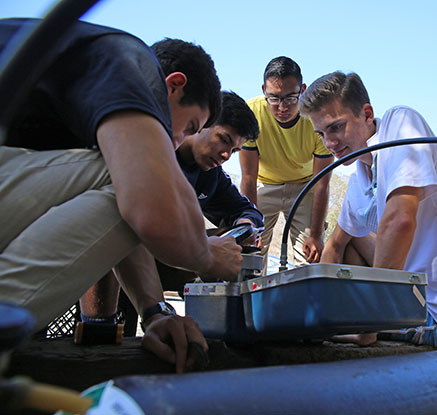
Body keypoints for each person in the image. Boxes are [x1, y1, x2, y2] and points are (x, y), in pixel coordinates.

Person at [0, 18, 242, 373]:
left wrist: (154, 311)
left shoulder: (85, 85)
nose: (178, 142)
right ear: (173, 86)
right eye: (189, 127)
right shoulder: (130, 62)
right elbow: (149, 206)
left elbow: (124, 213)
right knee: (143, 181)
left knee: (133, 179)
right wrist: (206, 255)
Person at [299, 71, 437, 348]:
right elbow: (334, 245)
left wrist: (369, 326)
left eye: (336, 127)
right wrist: (317, 313)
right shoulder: (359, 178)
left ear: (367, 114)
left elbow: (400, 220)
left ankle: (369, 323)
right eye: (321, 134)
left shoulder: (400, 124)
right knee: (350, 240)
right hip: (410, 299)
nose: (329, 144)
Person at [81, 91, 264, 322]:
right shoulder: (155, 149)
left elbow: (248, 211)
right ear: (201, 123)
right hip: (121, 251)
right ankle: (98, 326)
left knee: (230, 244)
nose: (227, 154)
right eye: (224, 140)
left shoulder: (212, 174)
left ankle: (219, 323)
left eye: (235, 150)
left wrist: (244, 226)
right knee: (114, 224)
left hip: (168, 259)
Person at [240, 56, 333, 268]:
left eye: (291, 98)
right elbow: (248, 176)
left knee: (309, 257)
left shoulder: (317, 117)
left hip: (306, 186)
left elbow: (322, 184)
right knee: (252, 253)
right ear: (264, 90)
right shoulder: (252, 112)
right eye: (273, 98)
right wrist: (251, 228)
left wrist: (317, 234)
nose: (282, 107)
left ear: (303, 89)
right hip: (264, 185)